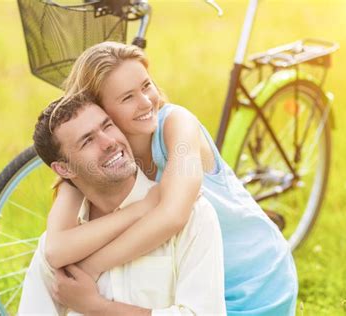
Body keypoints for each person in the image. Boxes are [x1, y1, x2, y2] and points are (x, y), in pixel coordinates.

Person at [44, 41, 298, 315]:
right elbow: (57, 248)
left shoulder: (177, 126)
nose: (145, 102)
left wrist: (91, 269)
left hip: (255, 284)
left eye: (146, 86)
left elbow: (173, 215)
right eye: (127, 97)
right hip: (188, 287)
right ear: (98, 108)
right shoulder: (99, 157)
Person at [19, 95, 226, 315]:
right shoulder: (59, 248)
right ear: (64, 170)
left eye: (107, 126)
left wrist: (100, 309)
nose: (109, 142)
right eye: (87, 141)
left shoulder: (193, 215)